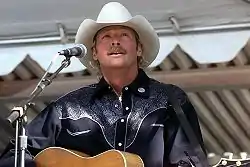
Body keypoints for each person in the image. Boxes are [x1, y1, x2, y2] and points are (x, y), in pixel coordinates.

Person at [0, 2, 208, 167]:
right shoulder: (67, 109)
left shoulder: (170, 100)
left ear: (138, 49)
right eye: (106, 36)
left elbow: (190, 160)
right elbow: (14, 156)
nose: (115, 41)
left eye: (124, 35)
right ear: (95, 53)